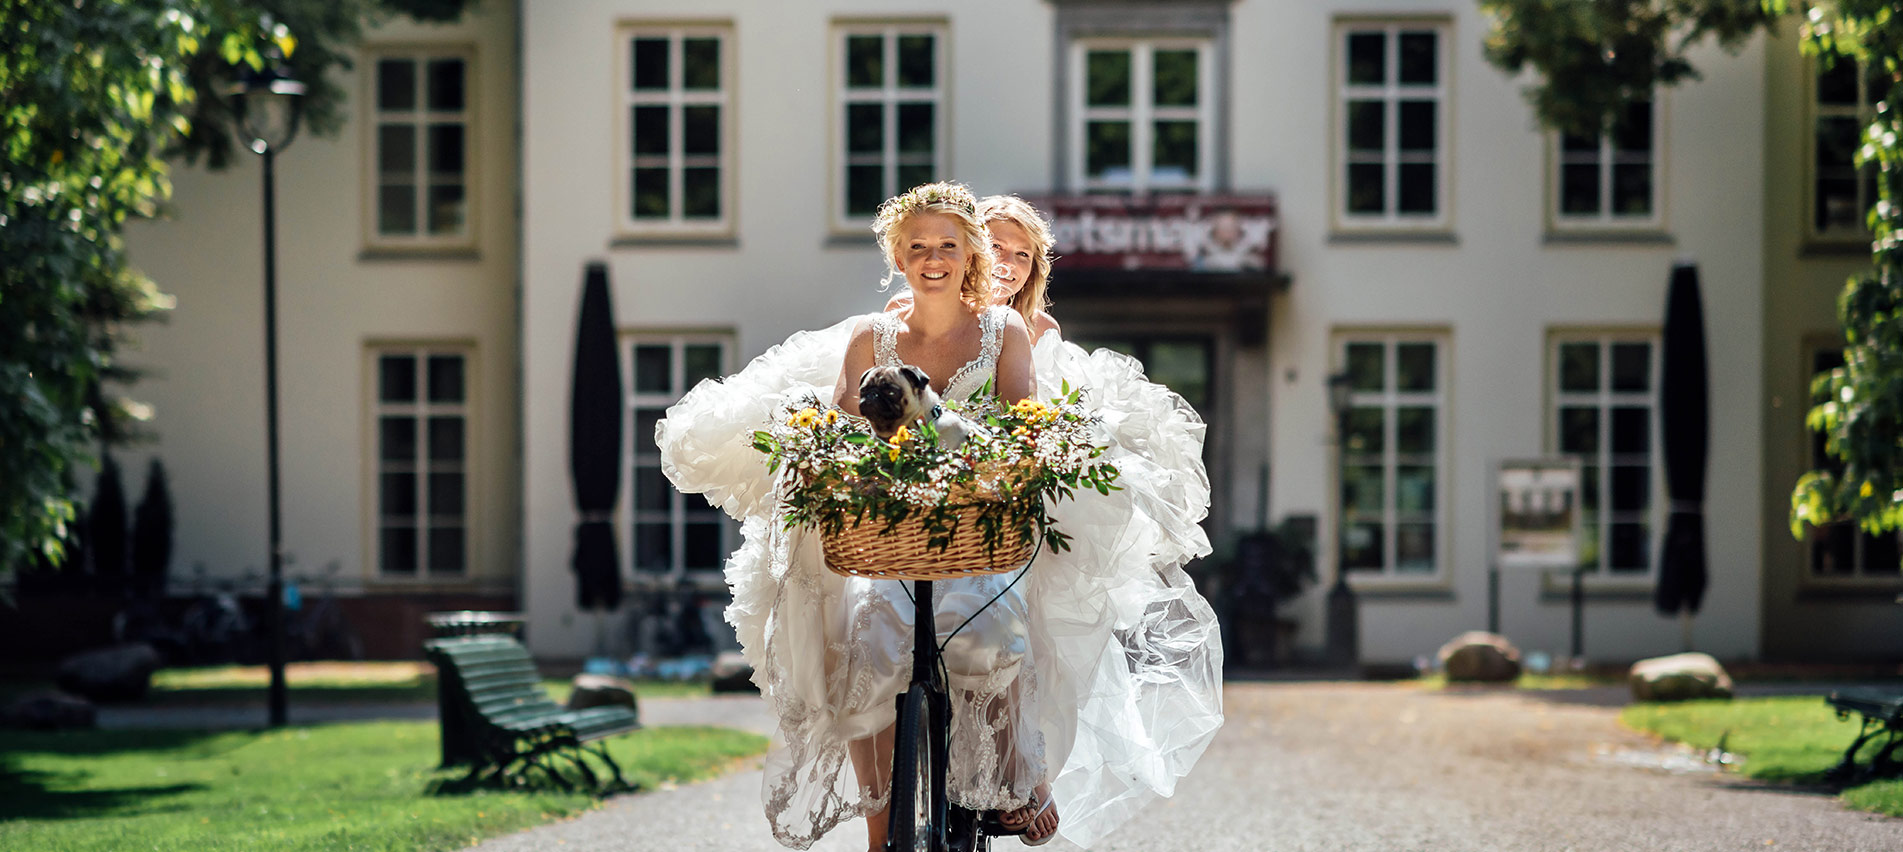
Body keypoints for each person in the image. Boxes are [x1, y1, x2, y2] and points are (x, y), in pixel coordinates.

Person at [658, 182, 1222, 851]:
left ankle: (1017, 773)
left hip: (989, 511)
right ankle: (882, 822)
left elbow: (1029, 423)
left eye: (1018, 254)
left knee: (1012, 619)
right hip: (894, 524)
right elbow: (846, 416)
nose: (1002, 262)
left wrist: (1011, 464)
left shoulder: (1020, 330)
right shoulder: (886, 326)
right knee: (864, 642)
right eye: (993, 247)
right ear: (906, 255)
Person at [887, 194, 1061, 341]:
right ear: (969, 251)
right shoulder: (902, 309)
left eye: (1023, 254)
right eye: (996, 247)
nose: (1010, 263)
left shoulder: (1045, 330)